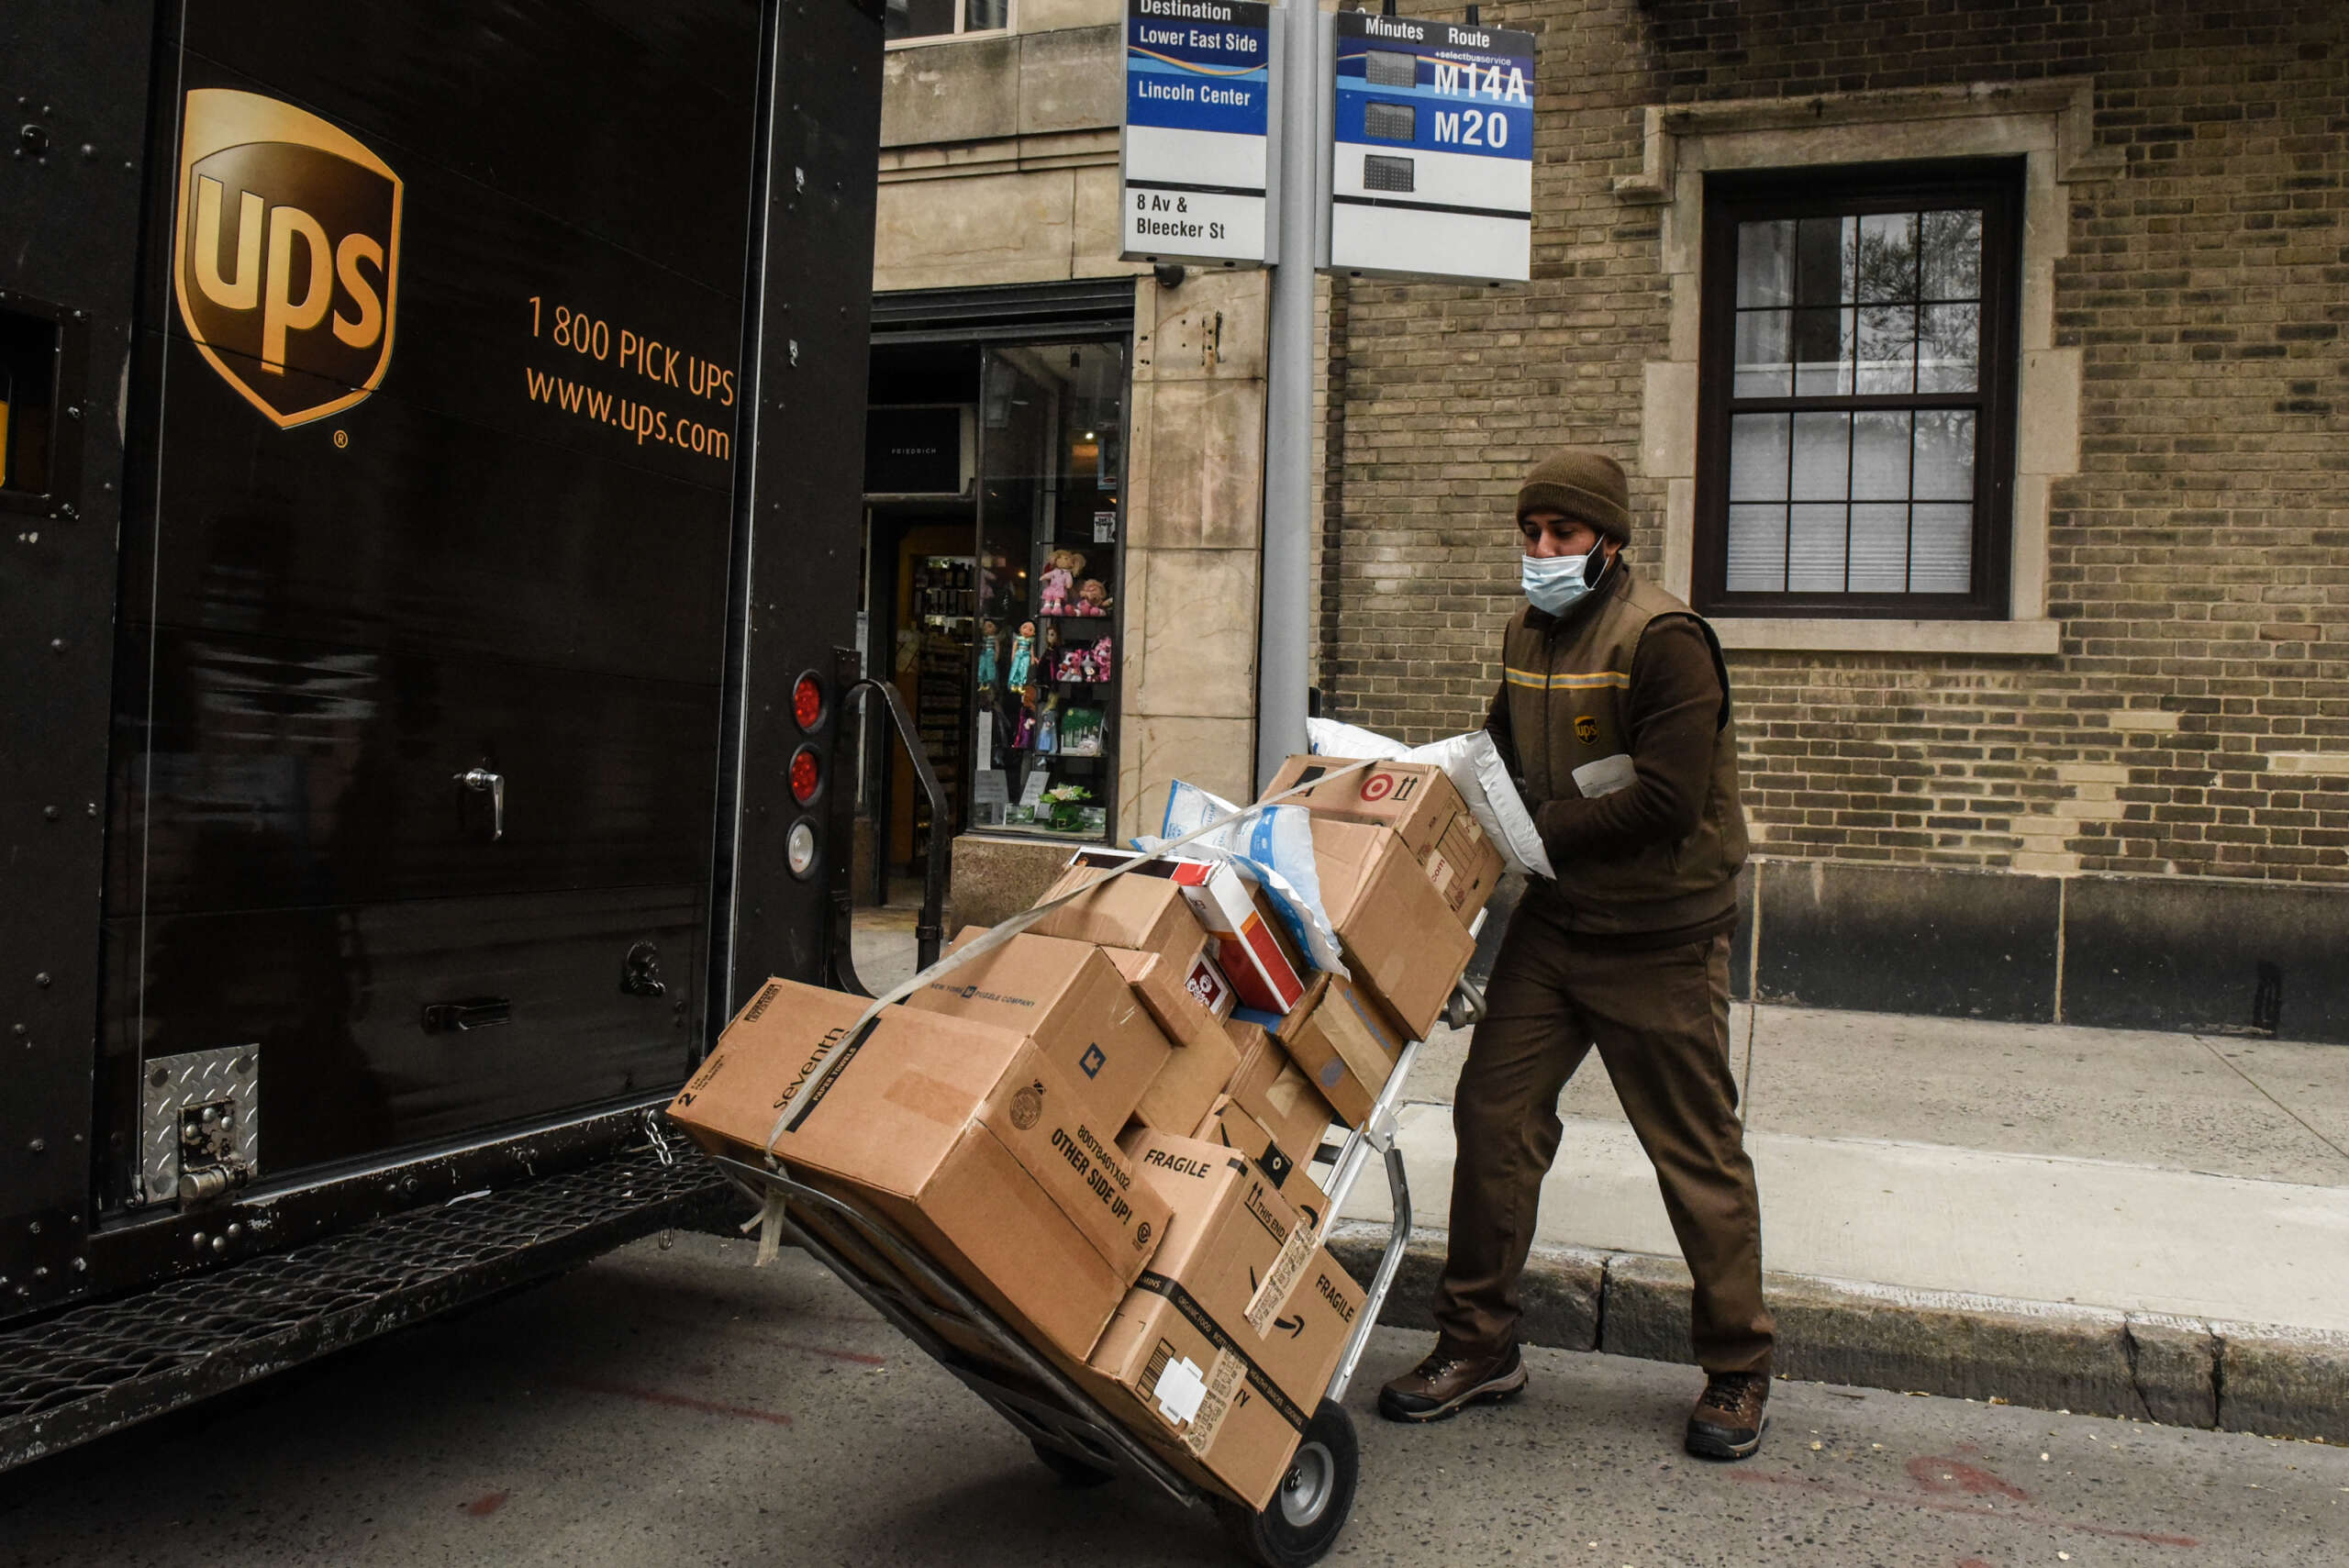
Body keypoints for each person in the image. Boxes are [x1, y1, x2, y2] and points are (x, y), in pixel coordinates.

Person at [1377, 447, 1776, 1461]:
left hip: (1662, 933)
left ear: (1607, 538)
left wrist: (1537, 831)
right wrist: (1433, 782)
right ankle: (1479, 1345)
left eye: (1563, 533)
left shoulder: (1666, 636)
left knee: (1691, 1147)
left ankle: (1737, 1366)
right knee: (1492, 1113)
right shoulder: (1525, 629)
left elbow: (1668, 797)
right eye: (1531, 532)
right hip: (1556, 926)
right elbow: (1501, 751)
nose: (1542, 550)